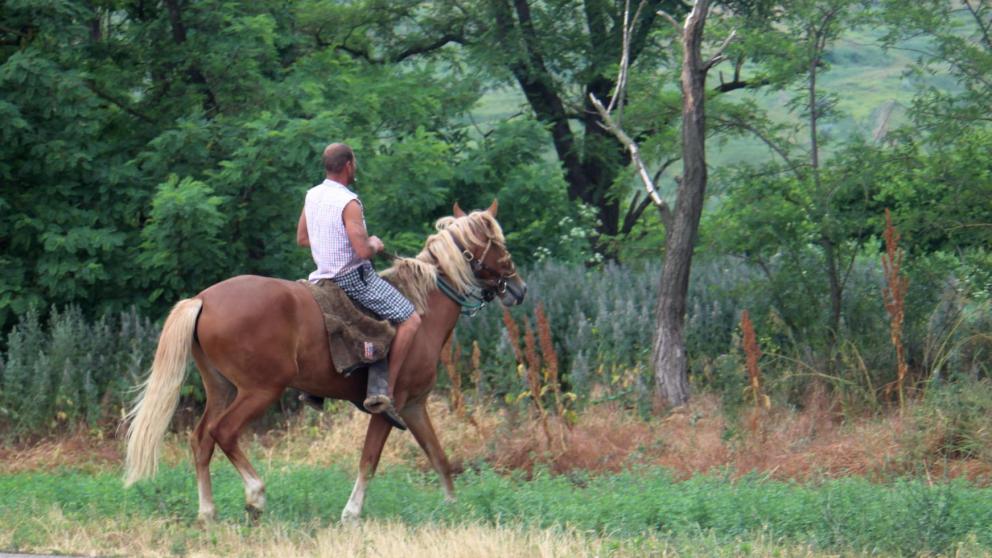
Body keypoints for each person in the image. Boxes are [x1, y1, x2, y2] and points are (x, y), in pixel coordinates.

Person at [297, 143, 421, 417]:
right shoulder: (349, 202)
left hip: (320, 278)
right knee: (410, 320)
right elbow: (363, 251)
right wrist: (375, 243)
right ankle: (385, 389)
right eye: (355, 163)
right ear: (349, 165)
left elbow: (302, 238)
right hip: (353, 278)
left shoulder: (313, 195)